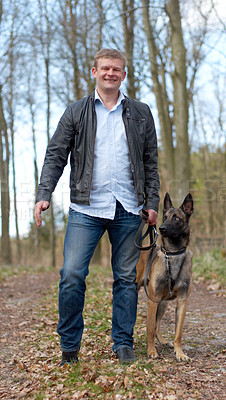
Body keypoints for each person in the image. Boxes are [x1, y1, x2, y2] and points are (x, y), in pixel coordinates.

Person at [35, 48, 160, 365]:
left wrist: (152, 202)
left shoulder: (141, 113)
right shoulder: (76, 112)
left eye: (117, 69)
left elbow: (150, 164)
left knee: (126, 279)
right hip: (86, 208)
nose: (111, 73)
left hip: (129, 208)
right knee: (72, 275)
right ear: (94, 72)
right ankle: (70, 348)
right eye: (105, 68)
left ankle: (123, 343)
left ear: (124, 75)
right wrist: (43, 193)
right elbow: (55, 155)